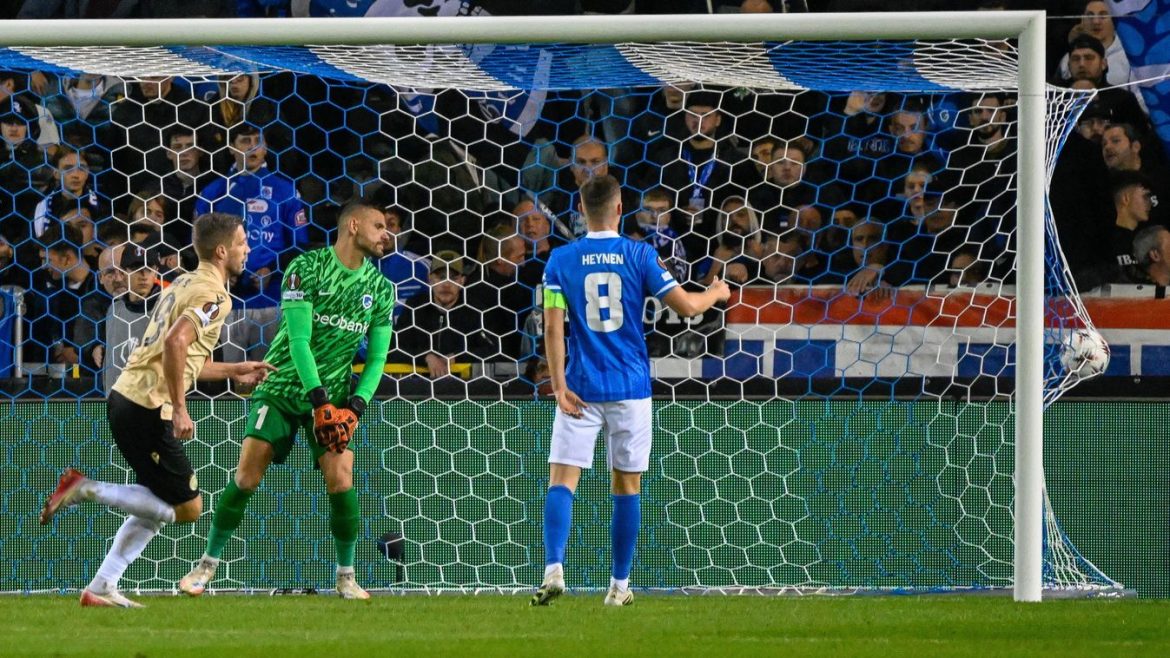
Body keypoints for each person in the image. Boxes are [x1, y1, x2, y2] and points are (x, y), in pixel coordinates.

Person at [38, 213, 274, 608]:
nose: (247, 249)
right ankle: (85, 489)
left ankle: (102, 585)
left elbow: (185, 358)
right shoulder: (214, 296)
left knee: (157, 501)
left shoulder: (182, 283)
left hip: (129, 398)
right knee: (189, 508)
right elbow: (175, 343)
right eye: (241, 242)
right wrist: (180, 408)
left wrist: (234, 370)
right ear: (221, 251)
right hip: (147, 406)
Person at [531, 174, 730, 607]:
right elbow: (688, 307)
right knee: (626, 485)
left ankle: (553, 569)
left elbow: (552, 328)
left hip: (580, 387)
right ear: (620, 209)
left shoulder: (560, 260)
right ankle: (619, 587)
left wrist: (559, 386)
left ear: (581, 210)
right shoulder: (639, 254)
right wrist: (716, 292)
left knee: (562, 480)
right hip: (630, 388)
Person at [180, 201, 395, 601]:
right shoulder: (306, 268)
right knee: (247, 476)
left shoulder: (382, 288)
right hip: (281, 387)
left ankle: (346, 576)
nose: (387, 234)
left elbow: (377, 358)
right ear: (353, 226)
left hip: (334, 397)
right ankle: (206, 565)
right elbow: (298, 340)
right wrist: (319, 400)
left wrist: (355, 407)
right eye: (379, 225)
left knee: (341, 478)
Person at [196, 123, 309, 363]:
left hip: (271, 301)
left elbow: (299, 247)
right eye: (245, 141)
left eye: (258, 141)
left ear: (266, 148)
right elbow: (198, 247)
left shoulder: (285, 191)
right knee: (230, 376)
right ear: (231, 147)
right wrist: (221, 273)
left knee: (267, 374)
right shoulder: (213, 192)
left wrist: (272, 270)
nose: (253, 147)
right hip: (225, 303)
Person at [392, 250, 499, 378]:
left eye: (453, 278)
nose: (447, 284)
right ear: (430, 279)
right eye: (441, 277)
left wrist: (456, 357)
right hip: (419, 386)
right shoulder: (415, 306)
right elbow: (394, 348)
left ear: (462, 281)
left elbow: (494, 350)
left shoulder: (476, 310)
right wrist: (426, 357)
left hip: (463, 386)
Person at [102, 245, 163, 393]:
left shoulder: (168, 309)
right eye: (136, 269)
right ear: (123, 273)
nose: (143, 275)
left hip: (153, 399)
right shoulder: (114, 310)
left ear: (156, 272)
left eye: (149, 269)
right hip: (117, 399)